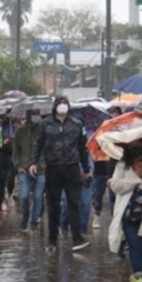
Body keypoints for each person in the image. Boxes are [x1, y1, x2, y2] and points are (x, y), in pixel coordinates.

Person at [29, 96, 91, 252]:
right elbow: (38, 143)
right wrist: (33, 162)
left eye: (65, 103)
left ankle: (77, 239)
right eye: (60, 103)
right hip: (53, 167)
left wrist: (86, 169)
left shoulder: (77, 125)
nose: (63, 106)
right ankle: (52, 240)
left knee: (74, 204)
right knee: (53, 205)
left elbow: (83, 148)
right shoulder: (45, 124)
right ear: (55, 106)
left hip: (72, 168)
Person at [108, 142, 142, 282]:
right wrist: (136, 178)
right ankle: (137, 274)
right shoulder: (122, 165)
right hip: (128, 212)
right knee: (134, 243)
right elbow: (116, 186)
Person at [13, 109, 45, 231]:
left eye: (37, 113)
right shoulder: (20, 133)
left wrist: (42, 164)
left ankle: (34, 222)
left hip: (41, 169)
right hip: (24, 170)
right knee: (24, 196)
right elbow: (16, 152)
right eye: (33, 114)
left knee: (38, 197)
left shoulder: (44, 132)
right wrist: (18, 165)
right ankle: (25, 216)